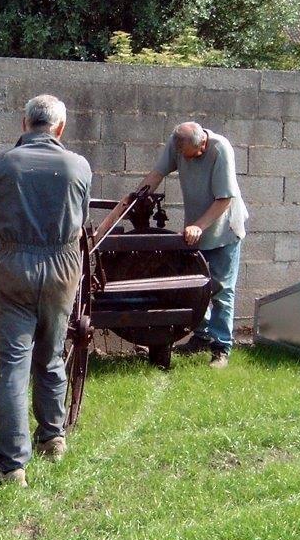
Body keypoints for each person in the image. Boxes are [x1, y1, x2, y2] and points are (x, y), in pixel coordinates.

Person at [0, 94, 92, 487]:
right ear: (59, 128)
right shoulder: (79, 166)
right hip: (62, 266)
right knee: (53, 352)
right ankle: (53, 436)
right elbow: (81, 220)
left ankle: (11, 465)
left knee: (13, 365)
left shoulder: (0, 164)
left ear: (24, 124)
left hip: (14, 266)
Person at [103, 121, 247, 367]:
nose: (192, 158)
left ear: (202, 142)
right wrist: (137, 198)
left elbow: (225, 199)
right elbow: (157, 175)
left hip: (224, 228)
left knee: (221, 289)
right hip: (196, 230)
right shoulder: (177, 143)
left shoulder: (220, 149)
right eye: (186, 156)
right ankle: (200, 338)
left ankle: (221, 347)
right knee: (193, 286)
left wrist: (198, 226)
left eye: (196, 153)